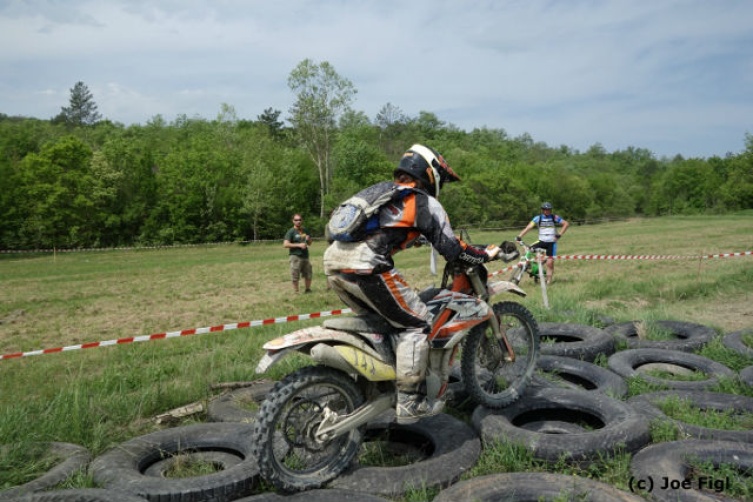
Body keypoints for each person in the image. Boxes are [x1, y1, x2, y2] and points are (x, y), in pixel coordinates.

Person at [323, 144, 499, 423]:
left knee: (381, 325)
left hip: (333, 263)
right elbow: (452, 249)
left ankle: (373, 384)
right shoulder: (423, 202)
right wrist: (484, 254)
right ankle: (408, 401)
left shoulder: (385, 193)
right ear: (430, 173)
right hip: (367, 267)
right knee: (418, 323)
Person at [517, 201, 569, 285]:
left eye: (549, 210)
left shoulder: (554, 217)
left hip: (552, 243)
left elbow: (566, 224)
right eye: (545, 209)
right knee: (528, 250)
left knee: (550, 263)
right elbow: (529, 227)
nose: (547, 211)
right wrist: (520, 236)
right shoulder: (538, 218)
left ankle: (548, 281)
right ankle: (530, 265)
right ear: (542, 210)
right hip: (541, 241)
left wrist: (559, 235)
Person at [283, 214, 313, 293]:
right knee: (295, 274)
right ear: (293, 221)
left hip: (305, 256)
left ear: (302, 220)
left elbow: (310, 243)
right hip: (295, 256)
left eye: (299, 220)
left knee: (308, 273)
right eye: (296, 220)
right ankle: (296, 292)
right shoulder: (291, 231)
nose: (298, 221)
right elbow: (285, 244)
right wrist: (298, 245)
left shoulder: (305, 230)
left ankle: (308, 290)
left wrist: (309, 239)